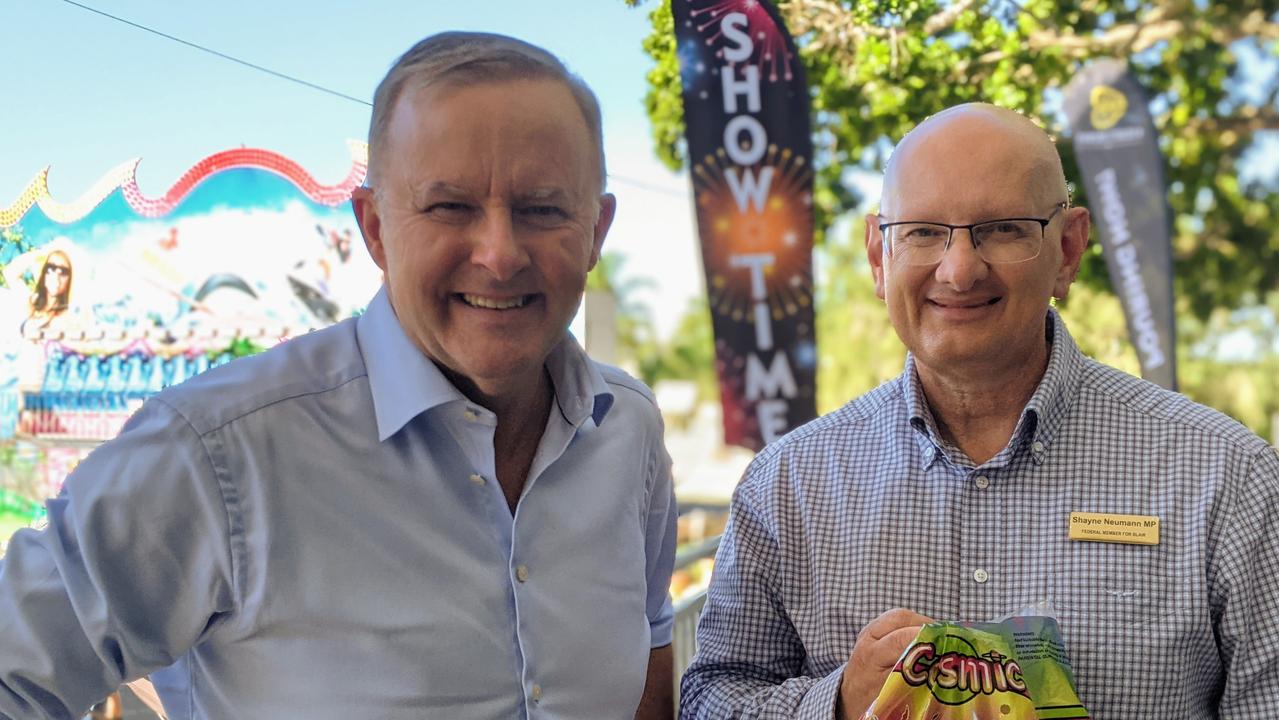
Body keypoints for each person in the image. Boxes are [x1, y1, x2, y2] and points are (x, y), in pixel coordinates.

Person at [0, 32, 678, 720]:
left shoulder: (626, 429)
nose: (499, 254)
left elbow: (649, 646)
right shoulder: (218, 451)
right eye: (449, 206)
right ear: (376, 228)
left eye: (541, 208)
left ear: (596, 230)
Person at [679, 103, 1279, 718]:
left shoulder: (1227, 479)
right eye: (922, 231)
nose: (960, 269)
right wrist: (835, 703)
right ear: (879, 257)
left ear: (1068, 250)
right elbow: (711, 697)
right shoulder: (788, 486)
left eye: (1002, 228)